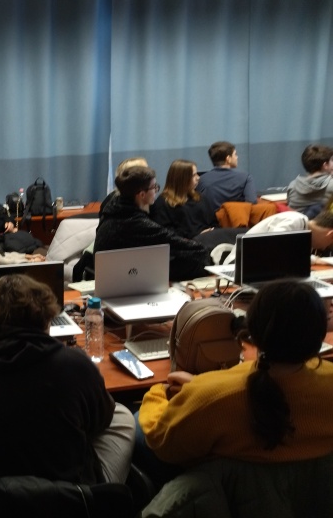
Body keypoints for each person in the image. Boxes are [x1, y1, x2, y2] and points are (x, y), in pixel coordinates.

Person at [0, 274, 135, 491]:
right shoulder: (74, 364)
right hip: (68, 498)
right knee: (122, 416)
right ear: (46, 320)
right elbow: (100, 420)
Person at [138, 280, 333, 477]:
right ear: (320, 335)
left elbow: (161, 443)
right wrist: (199, 386)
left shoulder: (211, 400)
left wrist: (159, 393)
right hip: (312, 492)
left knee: (137, 421)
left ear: (252, 331)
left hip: (229, 494)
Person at [95, 166, 210, 281]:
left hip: (114, 272)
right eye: (154, 187)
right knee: (197, 262)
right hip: (120, 278)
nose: (156, 190)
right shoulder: (134, 221)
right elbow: (174, 242)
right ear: (142, 195)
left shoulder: (115, 209)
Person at [225, 209, 333, 264]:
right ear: (331, 235)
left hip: (260, 267)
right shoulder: (295, 221)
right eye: (329, 245)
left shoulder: (305, 232)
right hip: (238, 265)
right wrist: (313, 259)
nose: (324, 248)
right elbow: (275, 249)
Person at [149, 159, 219, 239]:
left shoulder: (200, 197)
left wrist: (211, 232)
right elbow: (166, 233)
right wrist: (197, 236)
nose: (198, 178)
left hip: (209, 240)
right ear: (181, 179)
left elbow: (214, 222)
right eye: (193, 175)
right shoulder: (163, 203)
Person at [196, 141, 257, 210]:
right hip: (235, 216)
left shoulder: (201, 180)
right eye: (235, 154)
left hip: (209, 217)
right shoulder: (245, 178)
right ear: (228, 159)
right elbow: (251, 202)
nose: (237, 157)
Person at [287, 144, 333, 218]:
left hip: (299, 225)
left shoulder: (292, 186)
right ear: (325, 165)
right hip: (323, 225)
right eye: (332, 161)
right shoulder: (331, 184)